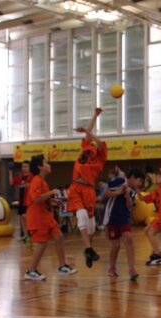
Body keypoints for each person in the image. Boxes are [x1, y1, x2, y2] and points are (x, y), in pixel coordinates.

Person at [25, 154, 78, 281]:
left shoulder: (42, 181)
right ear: (40, 167)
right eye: (46, 163)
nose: (49, 165)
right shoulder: (36, 181)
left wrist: (54, 202)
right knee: (41, 244)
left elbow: (43, 199)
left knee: (59, 237)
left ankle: (62, 266)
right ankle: (31, 271)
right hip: (38, 218)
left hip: (47, 217)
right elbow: (36, 199)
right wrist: (51, 192)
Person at [67, 107, 107, 268]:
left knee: (91, 228)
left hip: (89, 190)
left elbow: (98, 141)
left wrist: (89, 133)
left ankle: (88, 250)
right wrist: (95, 116)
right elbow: (88, 132)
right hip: (76, 186)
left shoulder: (101, 156)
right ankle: (89, 249)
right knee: (82, 215)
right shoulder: (86, 147)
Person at [103, 169, 145, 280]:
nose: (140, 184)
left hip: (124, 219)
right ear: (132, 178)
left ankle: (132, 269)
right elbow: (106, 193)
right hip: (111, 218)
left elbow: (129, 207)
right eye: (139, 181)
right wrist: (118, 193)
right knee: (116, 245)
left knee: (129, 239)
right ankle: (112, 268)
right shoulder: (119, 181)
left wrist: (126, 196)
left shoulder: (131, 192)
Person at [136, 170, 161, 266]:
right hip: (160, 216)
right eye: (156, 177)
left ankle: (158, 255)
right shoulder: (155, 192)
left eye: (159, 177)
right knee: (146, 230)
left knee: (151, 233)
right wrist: (137, 190)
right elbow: (142, 199)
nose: (156, 178)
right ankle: (158, 252)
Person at [9, 160, 33, 242]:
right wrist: (10, 172)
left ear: (30, 167)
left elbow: (32, 186)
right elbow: (11, 182)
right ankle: (26, 235)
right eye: (23, 166)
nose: (24, 168)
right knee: (22, 218)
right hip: (21, 200)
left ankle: (31, 234)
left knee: (26, 217)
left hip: (28, 201)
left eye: (26, 166)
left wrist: (28, 185)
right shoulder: (19, 176)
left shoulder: (32, 176)